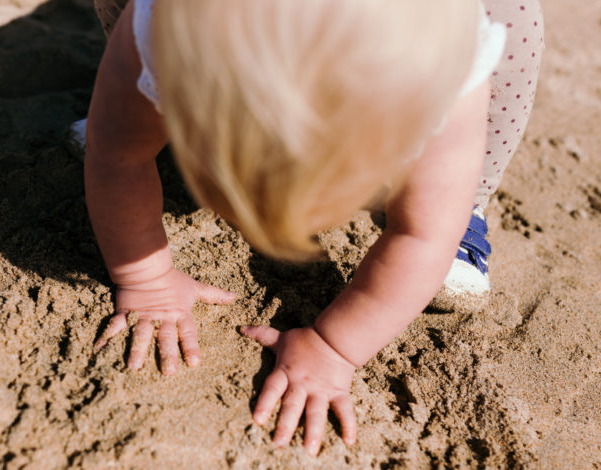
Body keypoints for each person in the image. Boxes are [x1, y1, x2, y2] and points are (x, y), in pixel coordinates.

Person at [76, 0, 543, 456]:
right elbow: (115, 156)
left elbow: (422, 236)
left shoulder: (445, 72)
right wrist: (148, 280)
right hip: (192, 42)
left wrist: (336, 348)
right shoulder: (161, 25)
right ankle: (146, 107)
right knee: (123, 111)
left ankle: (471, 202)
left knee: (473, 139)